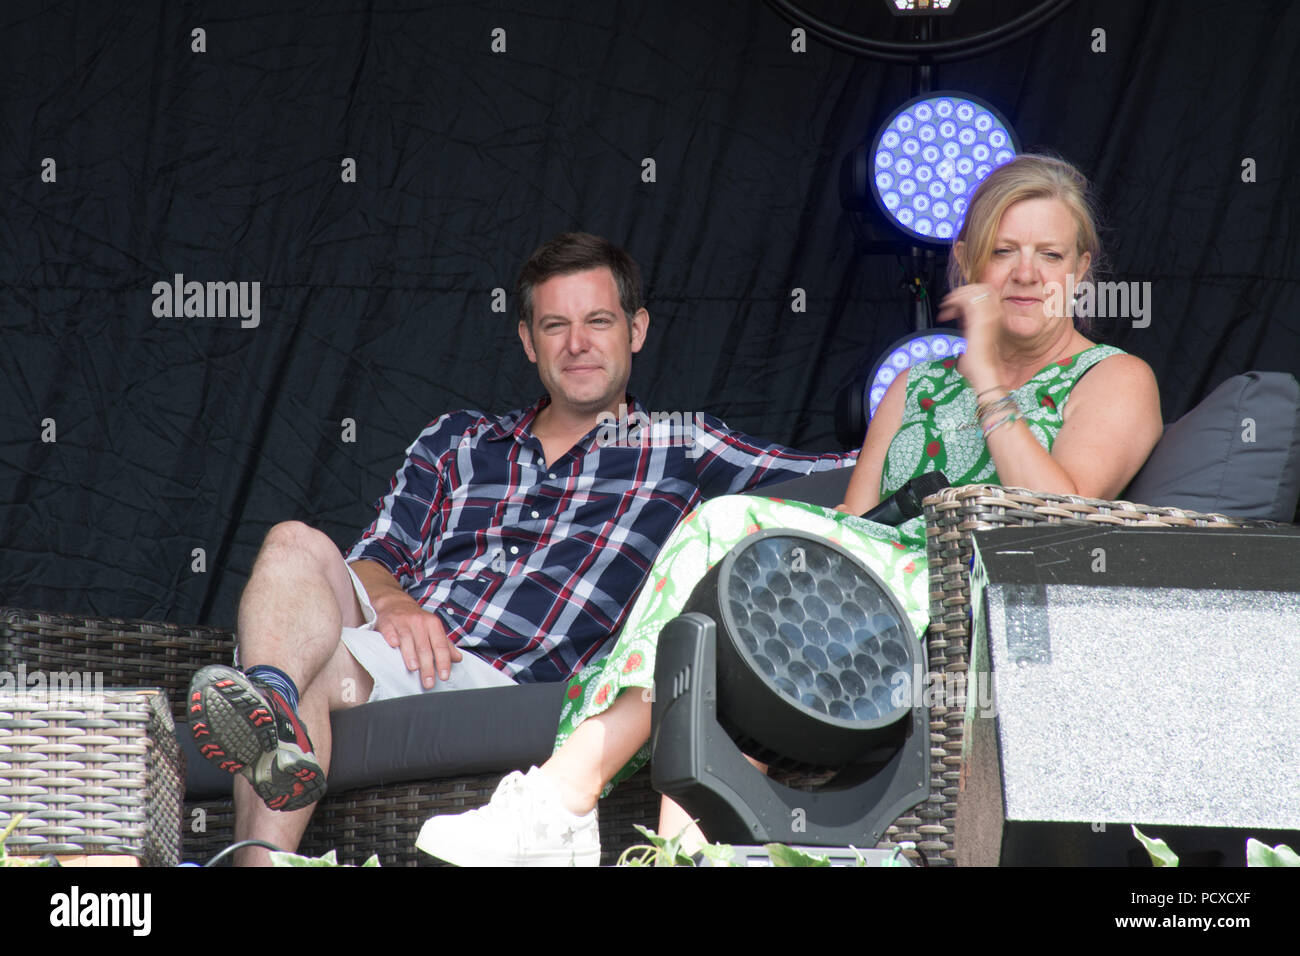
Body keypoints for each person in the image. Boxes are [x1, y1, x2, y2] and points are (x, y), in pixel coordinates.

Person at [414, 153, 1165, 865]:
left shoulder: (1115, 378)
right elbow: (855, 524)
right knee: (724, 623)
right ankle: (665, 842)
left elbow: (1056, 517)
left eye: (1052, 255)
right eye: (1004, 252)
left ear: (1082, 271)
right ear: (969, 265)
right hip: (863, 605)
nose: (1027, 274)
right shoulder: (917, 388)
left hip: (974, 600)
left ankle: (562, 796)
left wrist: (987, 376)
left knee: (725, 525)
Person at [185, 232, 854, 865]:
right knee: (291, 542)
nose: (577, 344)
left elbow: (853, 476)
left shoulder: (680, 446)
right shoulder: (458, 441)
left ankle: (265, 738)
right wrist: (394, 603)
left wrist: (951, 393)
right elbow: (375, 556)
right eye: (555, 326)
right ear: (528, 341)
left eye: (598, 321)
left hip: (502, 672)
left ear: (636, 331)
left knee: (313, 667)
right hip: (395, 648)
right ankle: (265, 702)